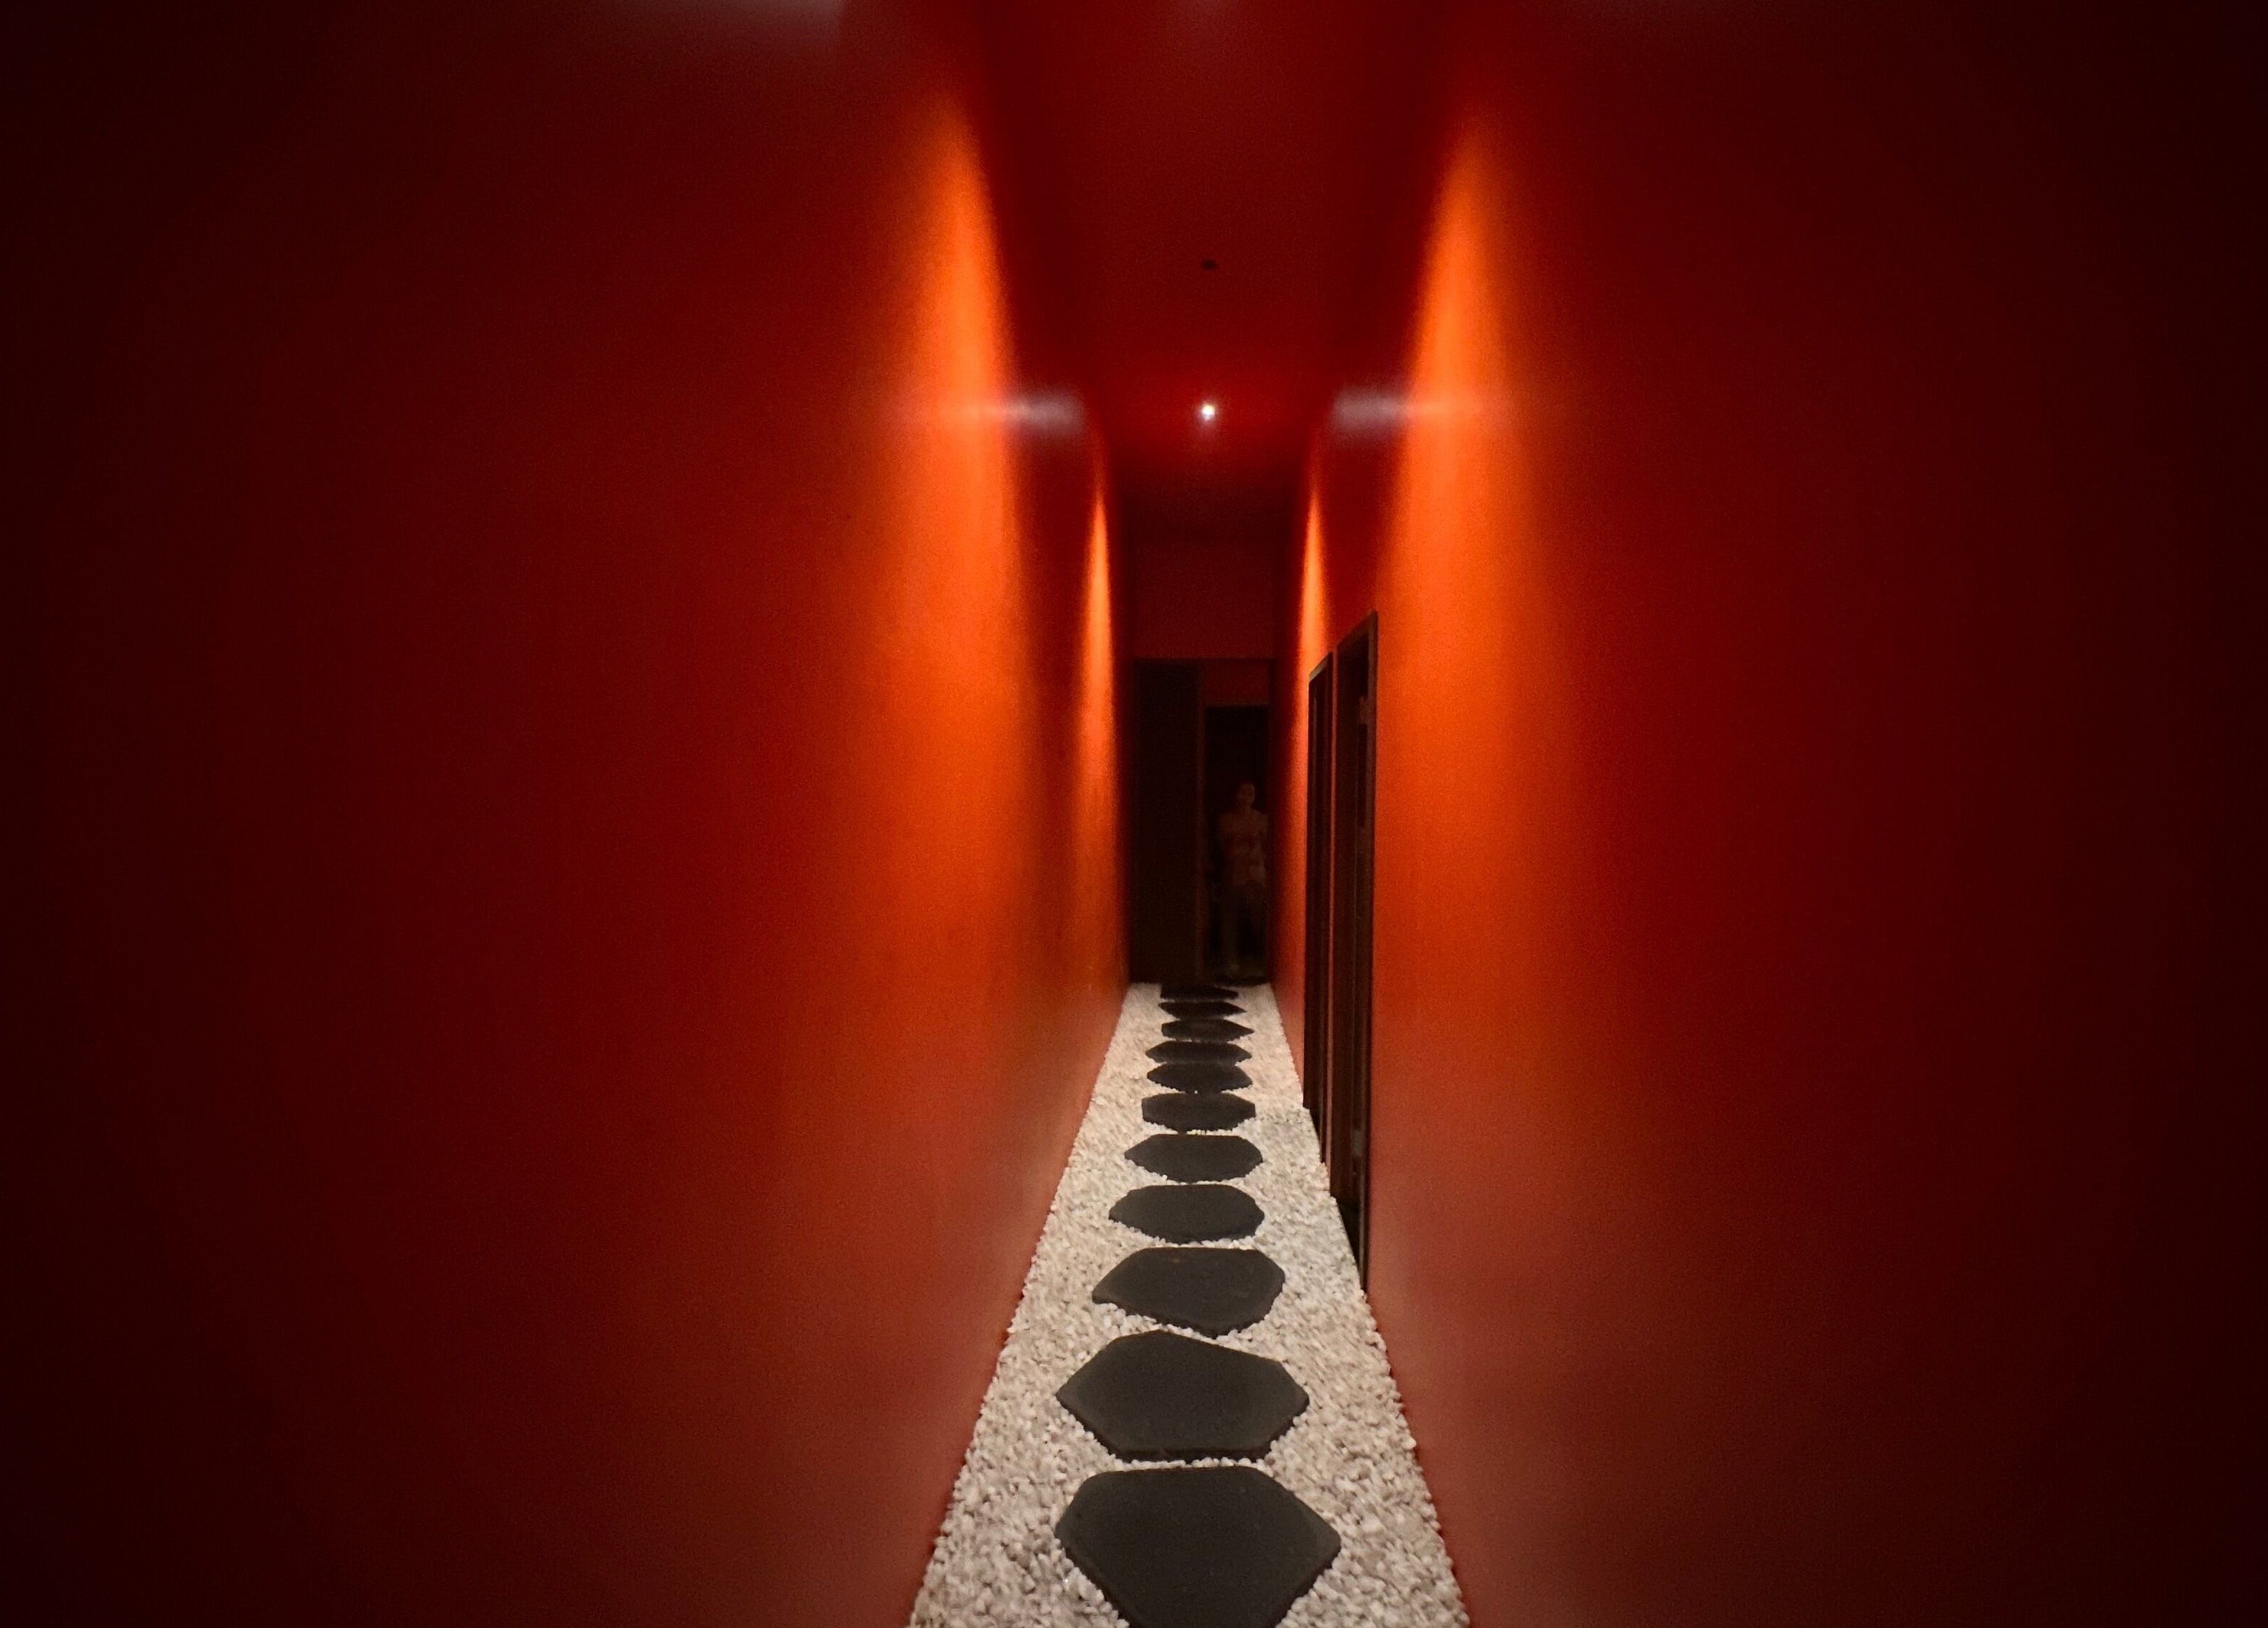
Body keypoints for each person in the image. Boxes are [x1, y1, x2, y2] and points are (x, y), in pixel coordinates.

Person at [1215, 781, 1269, 976]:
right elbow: (1225, 848)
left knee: (1258, 921)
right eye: (1242, 793)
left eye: (1250, 793)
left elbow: (1266, 847)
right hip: (1233, 875)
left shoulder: (1262, 820)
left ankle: (1258, 961)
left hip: (1255, 876)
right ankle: (1231, 962)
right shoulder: (1226, 820)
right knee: (1230, 920)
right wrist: (1242, 839)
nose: (1245, 798)